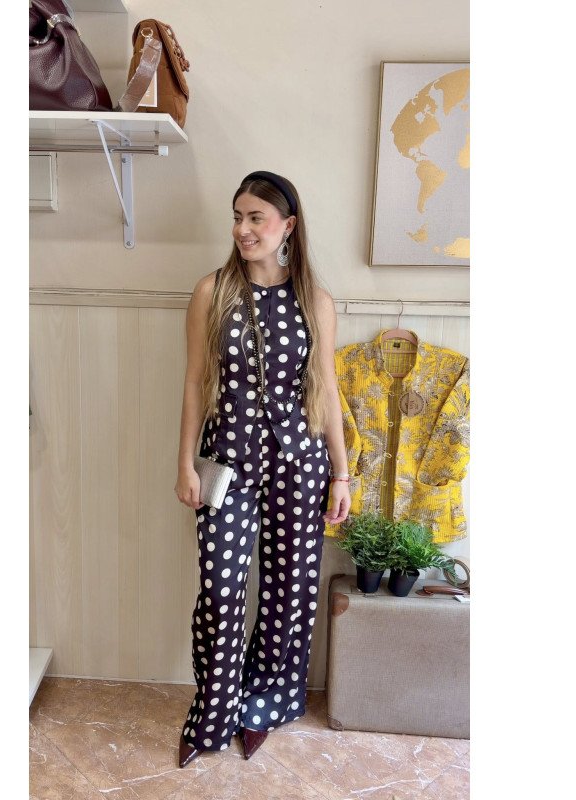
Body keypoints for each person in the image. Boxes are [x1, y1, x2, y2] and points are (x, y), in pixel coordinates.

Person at [174, 171, 350, 768]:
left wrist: (341, 474)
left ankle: (262, 706)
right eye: (238, 217)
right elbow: (194, 382)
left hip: (299, 465)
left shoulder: (314, 301)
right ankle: (213, 711)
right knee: (221, 592)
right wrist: (185, 464)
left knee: (288, 591)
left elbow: (326, 390)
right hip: (227, 462)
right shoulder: (213, 291)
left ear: (287, 226)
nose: (243, 229)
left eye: (256, 218)